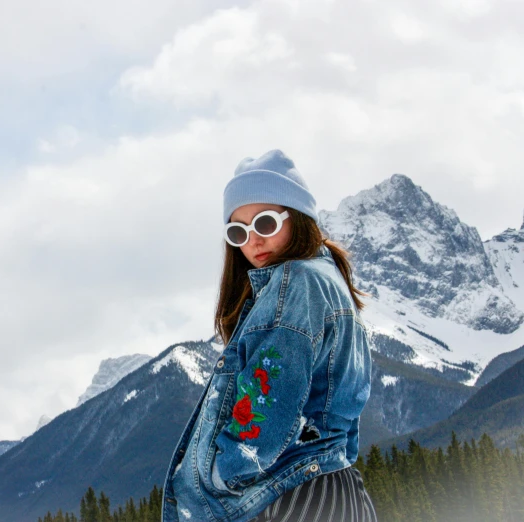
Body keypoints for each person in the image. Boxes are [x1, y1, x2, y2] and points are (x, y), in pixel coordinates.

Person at [161, 150, 377, 522]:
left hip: (289, 499)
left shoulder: (296, 282)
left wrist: (215, 481)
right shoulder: (328, 282)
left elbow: (266, 410)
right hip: (336, 492)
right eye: (238, 231)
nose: (252, 241)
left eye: (264, 223)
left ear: (298, 218)